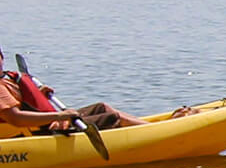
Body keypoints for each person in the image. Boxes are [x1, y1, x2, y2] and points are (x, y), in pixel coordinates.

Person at [0, 57, 176, 138]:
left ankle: (153, 128)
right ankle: (163, 134)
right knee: (111, 117)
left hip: (45, 125)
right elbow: (16, 118)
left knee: (102, 108)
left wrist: (39, 96)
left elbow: (22, 104)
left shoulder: (7, 79)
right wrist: (59, 116)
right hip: (42, 133)